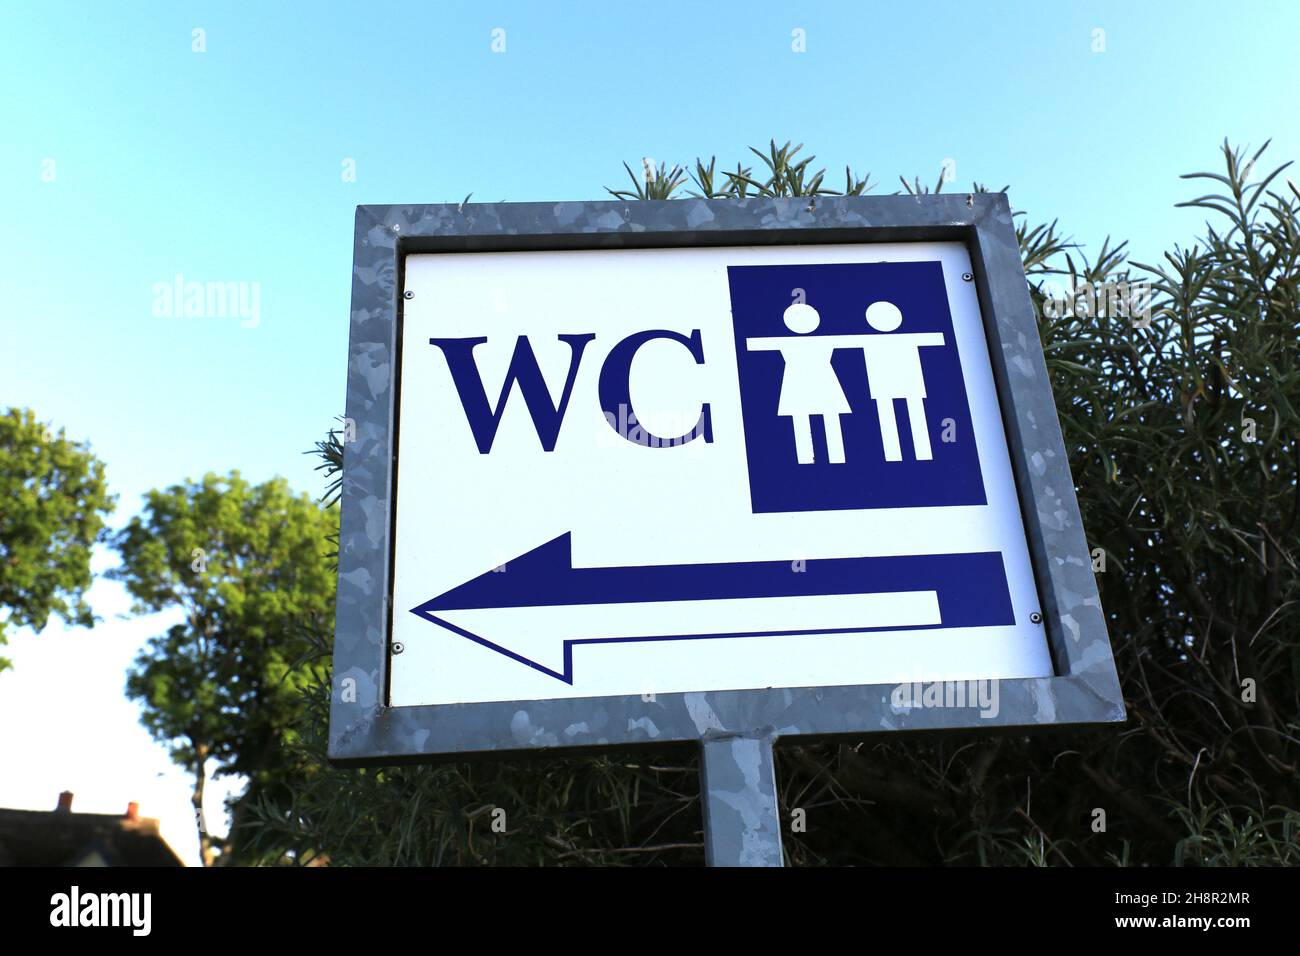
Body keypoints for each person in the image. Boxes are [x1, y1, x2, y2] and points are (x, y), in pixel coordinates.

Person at [746, 302, 859, 464]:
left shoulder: (824, 340)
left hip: (822, 381)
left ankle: (836, 457)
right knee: (802, 419)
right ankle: (808, 459)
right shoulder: (787, 341)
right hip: (799, 382)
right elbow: (755, 344)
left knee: (829, 418)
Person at [859, 300, 944, 461]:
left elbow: (936, 338)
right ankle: (894, 452)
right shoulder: (870, 339)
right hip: (885, 383)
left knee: (914, 412)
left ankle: (920, 451)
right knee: (888, 413)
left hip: (906, 381)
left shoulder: (899, 338)